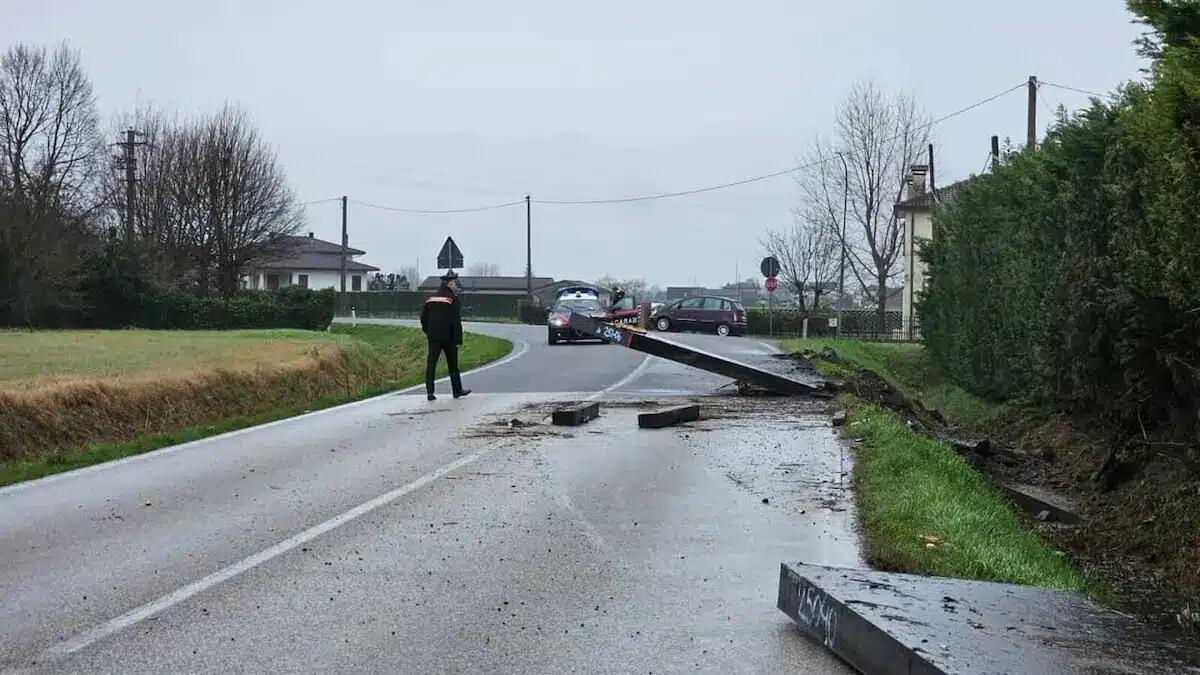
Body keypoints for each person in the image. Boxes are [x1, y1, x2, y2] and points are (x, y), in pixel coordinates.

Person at [420, 271, 470, 401]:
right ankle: (457, 390)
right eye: (454, 284)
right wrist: (458, 339)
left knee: (431, 364)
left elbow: (423, 318)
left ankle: (430, 392)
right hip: (449, 337)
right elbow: (456, 321)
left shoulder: (430, 299)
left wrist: (428, 331)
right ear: (449, 284)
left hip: (433, 337)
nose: (456, 287)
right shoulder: (453, 299)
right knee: (453, 365)